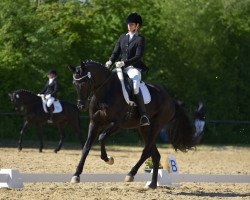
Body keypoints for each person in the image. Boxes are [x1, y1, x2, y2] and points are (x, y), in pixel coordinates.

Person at [105, 12, 150, 126]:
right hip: (120, 67)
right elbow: (116, 52)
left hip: (133, 68)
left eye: (132, 24)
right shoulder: (122, 37)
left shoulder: (140, 39)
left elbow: (138, 56)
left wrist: (124, 62)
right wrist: (110, 61)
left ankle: (143, 115)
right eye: (128, 24)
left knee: (135, 87)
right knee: (108, 81)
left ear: (137, 26)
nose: (129, 26)